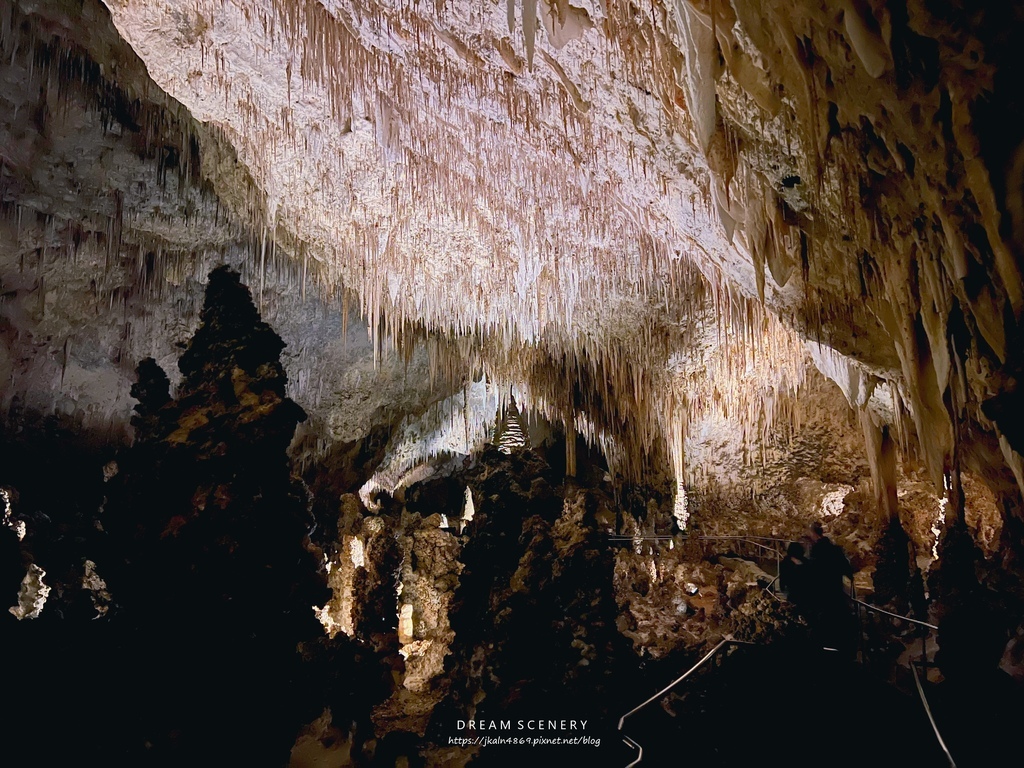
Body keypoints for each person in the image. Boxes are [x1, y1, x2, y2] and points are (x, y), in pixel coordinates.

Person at [779, 541, 810, 607]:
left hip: (803, 589)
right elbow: (783, 576)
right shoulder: (786, 563)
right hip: (793, 589)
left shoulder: (806, 562)